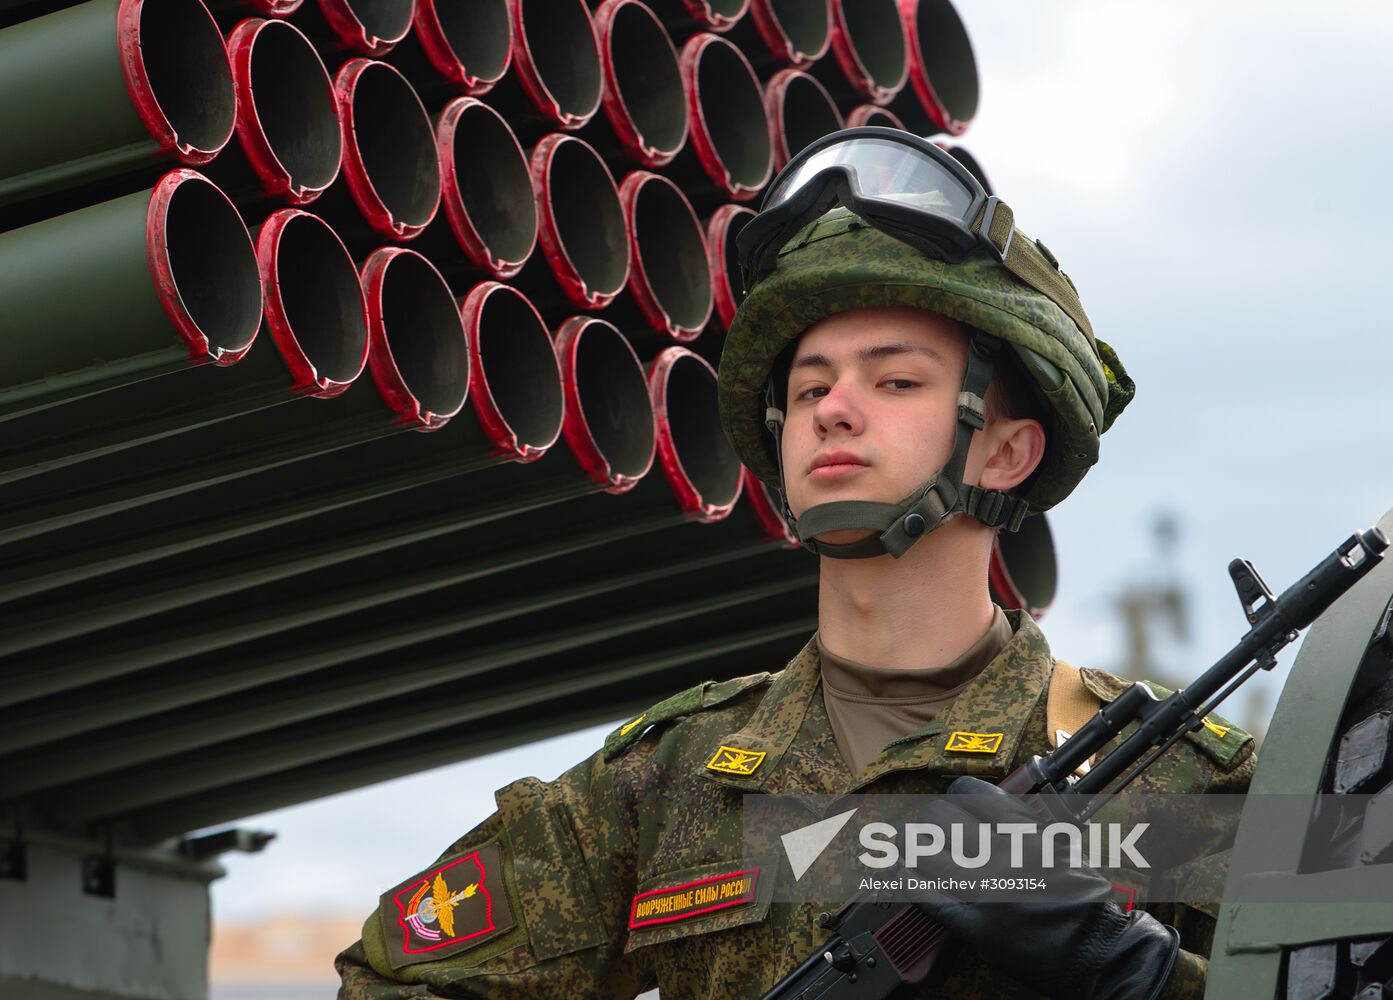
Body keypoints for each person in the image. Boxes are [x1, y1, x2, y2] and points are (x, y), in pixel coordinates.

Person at [335, 128, 1254, 1000]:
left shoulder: (1170, 780)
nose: (834, 409)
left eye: (894, 381)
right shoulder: (669, 779)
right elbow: (393, 978)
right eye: (811, 386)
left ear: (1006, 452)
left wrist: (1129, 973)